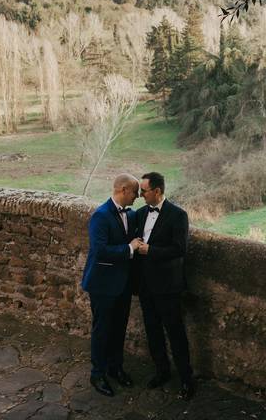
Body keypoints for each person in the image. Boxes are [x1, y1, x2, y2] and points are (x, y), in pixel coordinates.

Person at [132, 171, 196, 399]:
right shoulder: (139, 214)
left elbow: (180, 249)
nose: (140, 195)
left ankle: (187, 380)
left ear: (157, 191)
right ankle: (162, 371)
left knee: (176, 333)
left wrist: (151, 250)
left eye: (144, 191)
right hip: (146, 286)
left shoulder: (178, 215)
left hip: (168, 287)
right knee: (153, 331)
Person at [80, 173, 144, 396]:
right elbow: (99, 251)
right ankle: (97, 374)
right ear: (124, 190)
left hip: (123, 284)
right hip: (102, 284)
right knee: (102, 330)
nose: (138, 197)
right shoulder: (101, 216)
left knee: (119, 329)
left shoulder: (133, 215)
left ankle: (115, 368)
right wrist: (129, 248)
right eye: (135, 192)